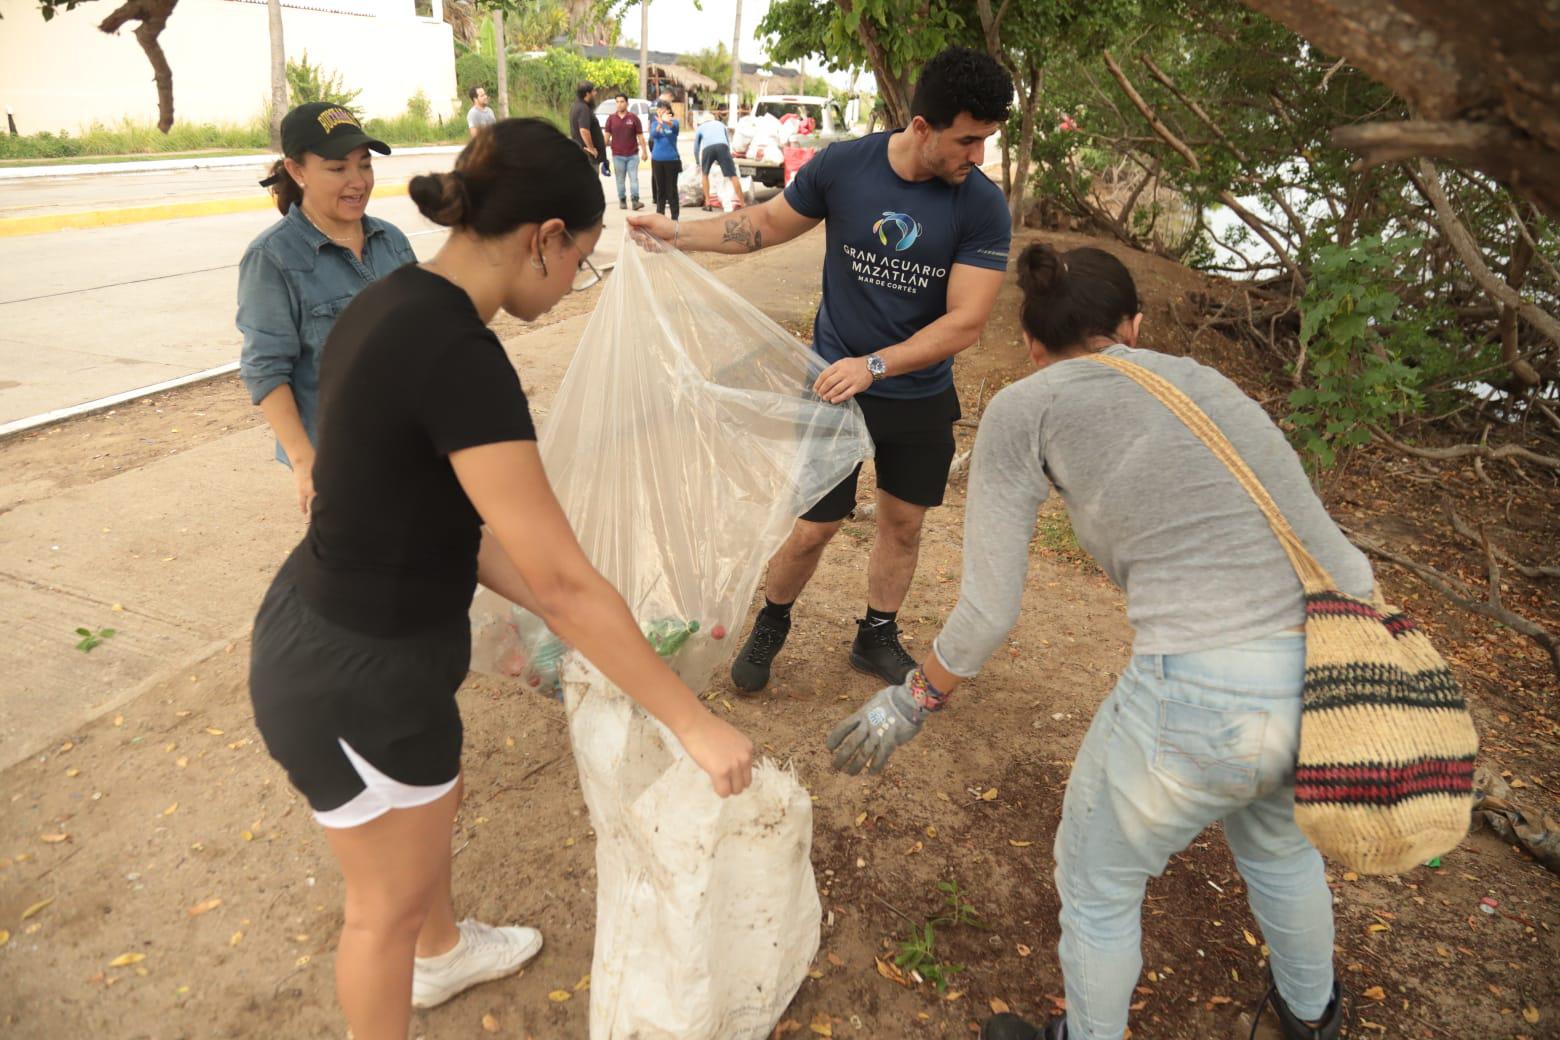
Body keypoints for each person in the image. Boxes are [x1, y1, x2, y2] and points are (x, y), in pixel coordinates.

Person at [247, 118, 754, 1040]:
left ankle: (441, 956)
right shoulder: (458, 355)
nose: (572, 287)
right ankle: (417, 963)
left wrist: (576, 620)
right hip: (358, 672)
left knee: (438, 805)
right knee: (379, 913)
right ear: (544, 239)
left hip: (335, 633)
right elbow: (562, 578)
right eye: (584, 262)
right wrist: (693, 722)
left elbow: (450, 520)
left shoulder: (397, 296)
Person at [825, 243, 1367, 1040]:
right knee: (1282, 848)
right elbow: (1327, 546)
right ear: (1134, 326)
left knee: (1098, 882)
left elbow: (989, 611)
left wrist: (914, 699)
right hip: (1329, 668)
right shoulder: (1209, 384)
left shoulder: (1028, 403)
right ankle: (1312, 1018)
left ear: (1033, 346)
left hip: (1199, 682)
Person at [629, 46, 1013, 694]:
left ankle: (877, 632)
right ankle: (773, 621)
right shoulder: (845, 167)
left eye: (987, 142)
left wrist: (876, 365)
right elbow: (768, 224)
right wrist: (678, 233)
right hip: (834, 388)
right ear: (923, 127)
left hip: (915, 391)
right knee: (814, 528)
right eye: (968, 140)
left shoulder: (980, 206)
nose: (978, 156)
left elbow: (966, 322)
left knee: (903, 522)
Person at [238, 102, 416, 515]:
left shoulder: (391, 241)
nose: (358, 181)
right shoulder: (274, 258)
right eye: (337, 168)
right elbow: (265, 370)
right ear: (297, 171)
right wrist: (305, 463)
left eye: (365, 165)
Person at [605, 91, 648, 211]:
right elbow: (607, 136)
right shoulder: (611, 119)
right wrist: (602, 151)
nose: (619, 104)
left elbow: (640, 136)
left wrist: (644, 152)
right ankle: (622, 200)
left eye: (622, 101)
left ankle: (635, 201)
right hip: (617, 155)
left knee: (634, 178)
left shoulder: (634, 118)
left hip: (633, 155)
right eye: (617, 102)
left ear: (627, 103)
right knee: (620, 179)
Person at [694, 113, 740, 210]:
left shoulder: (700, 127)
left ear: (703, 121)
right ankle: (742, 203)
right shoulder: (721, 124)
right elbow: (727, 141)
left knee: (705, 174)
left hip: (708, 148)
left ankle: (708, 203)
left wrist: (698, 163)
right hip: (723, 147)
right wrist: (727, 155)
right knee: (733, 175)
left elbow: (696, 148)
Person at [648, 100, 682, 221]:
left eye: (663, 109)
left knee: (671, 189)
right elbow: (653, 135)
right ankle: (660, 215)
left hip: (671, 160)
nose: (660, 111)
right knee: (660, 189)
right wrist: (659, 124)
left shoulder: (675, 122)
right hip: (657, 159)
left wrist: (667, 122)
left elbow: (674, 130)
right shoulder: (654, 123)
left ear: (668, 111)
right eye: (659, 109)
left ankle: (674, 217)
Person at [568, 81, 610, 178]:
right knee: (591, 185)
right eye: (593, 91)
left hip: (581, 153)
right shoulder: (583, 109)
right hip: (588, 156)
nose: (595, 93)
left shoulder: (576, 106)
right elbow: (584, 130)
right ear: (587, 94)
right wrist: (591, 148)